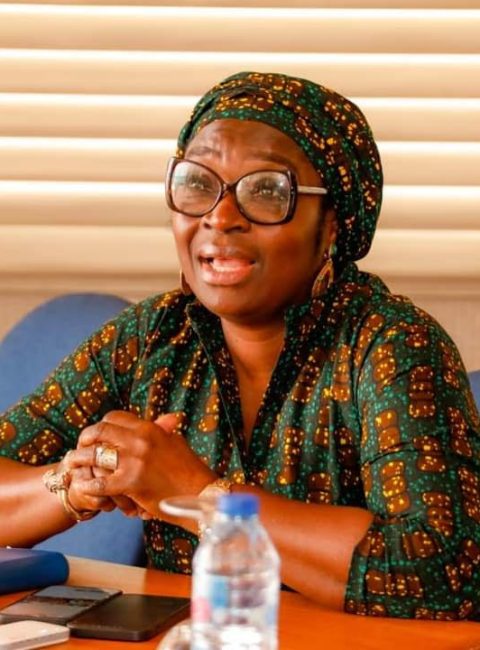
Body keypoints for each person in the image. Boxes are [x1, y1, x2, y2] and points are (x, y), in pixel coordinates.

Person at [1, 71, 479, 620]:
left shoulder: (390, 344)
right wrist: (80, 480)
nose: (220, 217)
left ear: (332, 225)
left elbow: (444, 572)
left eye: (267, 192)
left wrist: (201, 494)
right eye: (197, 184)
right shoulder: (153, 336)